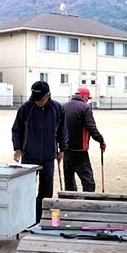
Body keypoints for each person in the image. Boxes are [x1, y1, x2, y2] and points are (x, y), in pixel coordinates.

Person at [11, 81, 68, 225]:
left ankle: (40, 220)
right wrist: (17, 148)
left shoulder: (57, 108)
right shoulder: (26, 108)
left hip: (48, 156)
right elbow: (17, 129)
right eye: (35, 98)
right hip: (29, 156)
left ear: (48, 95)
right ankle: (26, 220)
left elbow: (62, 130)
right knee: (27, 189)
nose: (37, 102)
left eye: (40, 99)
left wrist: (62, 149)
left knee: (46, 191)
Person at [63, 87, 106, 192]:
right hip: (80, 149)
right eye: (88, 98)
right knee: (88, 181)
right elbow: (91, 127)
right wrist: (101, 140)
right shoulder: (85, 108)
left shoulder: (64, 106)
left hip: (66, 149)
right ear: (84, 96)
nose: (88, 100)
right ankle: (88, 199)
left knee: (69, 180)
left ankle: (70, 199)